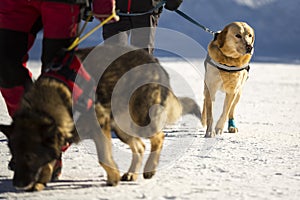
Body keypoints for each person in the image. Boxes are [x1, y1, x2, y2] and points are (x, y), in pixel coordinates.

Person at [0, 0, 118, 180]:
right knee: (5, 67)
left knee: (58, 71)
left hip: (62, 3)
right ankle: (26, 137)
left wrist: (103, 4)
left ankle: (49, 145)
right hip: (14, 3)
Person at [102, 0, 183, 54]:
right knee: (113, 54)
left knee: (142, 57)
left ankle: (142, 79)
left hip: (147, 10)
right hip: (115, 10)